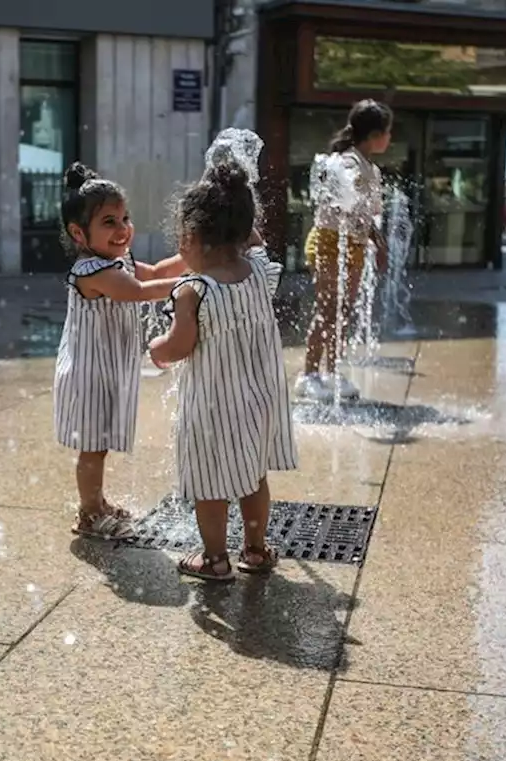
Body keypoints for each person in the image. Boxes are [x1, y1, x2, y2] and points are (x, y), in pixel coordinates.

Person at [147, 162, 297, 581]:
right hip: (261, 401)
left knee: (209, 486)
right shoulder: (259, 273)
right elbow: (258, 242)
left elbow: (178, 346)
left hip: (214, 410)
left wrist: (155, 347)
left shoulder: (193, 291)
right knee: (253, 477)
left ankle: (214, 559)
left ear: (191, 238)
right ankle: (256, 548)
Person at [54, 163, 180, 539]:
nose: (123, 228)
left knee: (100, 445)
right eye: (109, 222)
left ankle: (98, 502)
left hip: (107, 370)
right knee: (92, 449)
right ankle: (89, 513)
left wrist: (197, 257)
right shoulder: (90, 270)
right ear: (79, 233)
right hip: (88, 373)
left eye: (125, 218)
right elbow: (140, 291)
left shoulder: (117, 261)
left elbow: (155, 272)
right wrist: (196, 281)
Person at [295, 99, 393, 404]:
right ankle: (308, 375)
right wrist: (372, 236)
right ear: (375, 134)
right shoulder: (344, 163)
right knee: (327, 310)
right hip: (328, 241)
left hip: (354, 245)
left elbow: (368, 216)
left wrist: (377, 242)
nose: (390, 138)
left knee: (343, 312)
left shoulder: (372, 170)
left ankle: (333, 371)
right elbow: (337, 207)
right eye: (388, 132)